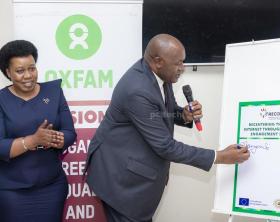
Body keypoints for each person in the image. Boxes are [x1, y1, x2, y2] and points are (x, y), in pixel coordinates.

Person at [85, 34, 250, 222]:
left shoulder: (159, 74)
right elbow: (165, 146)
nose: (182, 68)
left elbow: (160, 112)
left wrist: (183, 115)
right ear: (158, 62)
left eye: (183, 62)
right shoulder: (137, 89)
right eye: (178, 63)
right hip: (120, 180)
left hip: (136, 173)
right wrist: (218, 156)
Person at [0, 40, 76, 222]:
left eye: (32, 68)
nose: (28, 76)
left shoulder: (54, 92)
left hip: (51, 186)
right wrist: (33, 141)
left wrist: (57, 139)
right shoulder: (1, 100)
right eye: (20, 71)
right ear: (8, 72)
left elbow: (70, 132)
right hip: (12, 190)